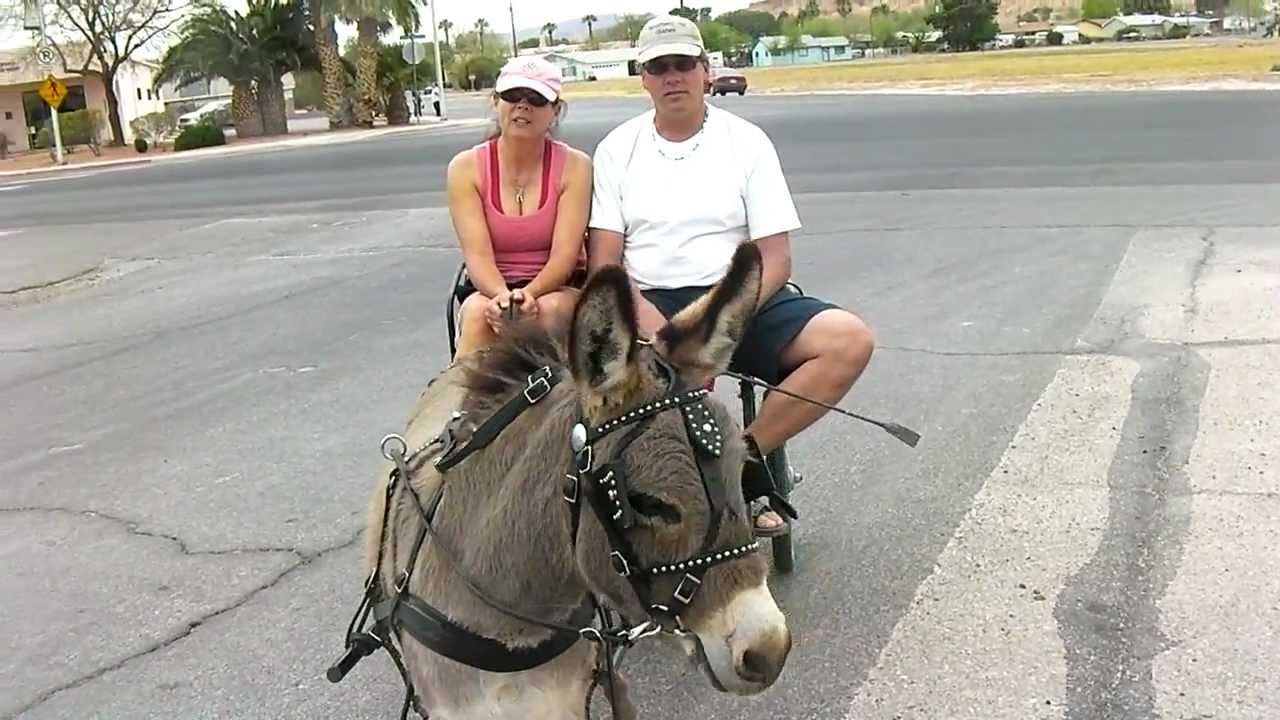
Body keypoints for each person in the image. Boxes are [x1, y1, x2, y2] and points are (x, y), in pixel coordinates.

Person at [586, 16, 876, 537]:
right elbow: (605, 263)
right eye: (659, 67)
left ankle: (743, 464)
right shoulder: (616, 149)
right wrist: (658, 328)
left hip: (737, 300)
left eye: (683, 64)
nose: (673, 76)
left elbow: (776, 257)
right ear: (644, 77)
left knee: (848, 341)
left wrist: (725, 325)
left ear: (705, 70)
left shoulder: (747, 142)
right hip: (649, 304)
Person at [446, 56, 591, 356]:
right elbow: (477, 255)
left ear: (555, 111)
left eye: (537, 99)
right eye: (512, 96)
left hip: (557, 288)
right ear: (496, 103)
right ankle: (458, 401)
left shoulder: (575, 166)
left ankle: (553, 400)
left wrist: (528, 297)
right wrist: (503, 300)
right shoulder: (465, 168)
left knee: (547, 311)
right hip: (490, 288)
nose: (522, 106)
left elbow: (564, 257)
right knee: (477, 314)